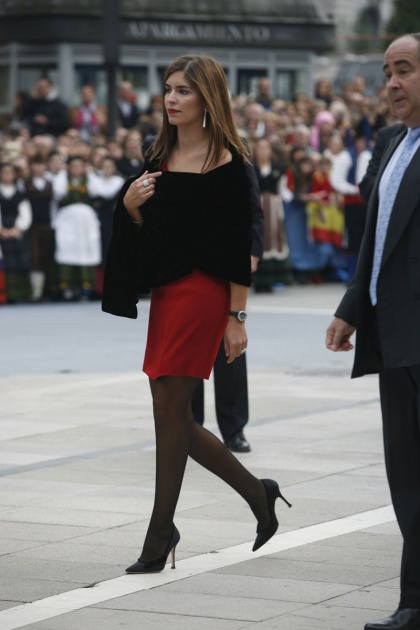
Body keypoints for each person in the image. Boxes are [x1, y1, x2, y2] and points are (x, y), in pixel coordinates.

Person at [102, 53, 291, 574]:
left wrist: (238, 317)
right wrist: (132, 208)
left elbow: (237, 247)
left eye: (183, 91)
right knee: (174, 417)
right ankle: (257, 494)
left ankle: (159, 534)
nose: (170, 99)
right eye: (167, 89)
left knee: (170, 413)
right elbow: (152, 241)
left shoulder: (229, 161)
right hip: (167, 294)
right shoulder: (155, 154)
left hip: (206, 295)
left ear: (207, 98)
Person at [326, 33, 420, 630]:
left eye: (404, 71)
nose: (390, 84)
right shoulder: (390, 141)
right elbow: (375, 239)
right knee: (406, 472)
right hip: (393, 335)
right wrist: (352, 307)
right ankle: (414, 601)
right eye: (387, 72)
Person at [0, 162, 32, 303]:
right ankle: (5, 295)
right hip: (2, 231)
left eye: (10, 172)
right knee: (4, 262)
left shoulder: (20, 194)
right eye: (4, 172)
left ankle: (20, 293)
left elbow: (25, 214)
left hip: (16, 232)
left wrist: (17, 228)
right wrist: (1, 230)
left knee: (20, 262)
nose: (7, 175)